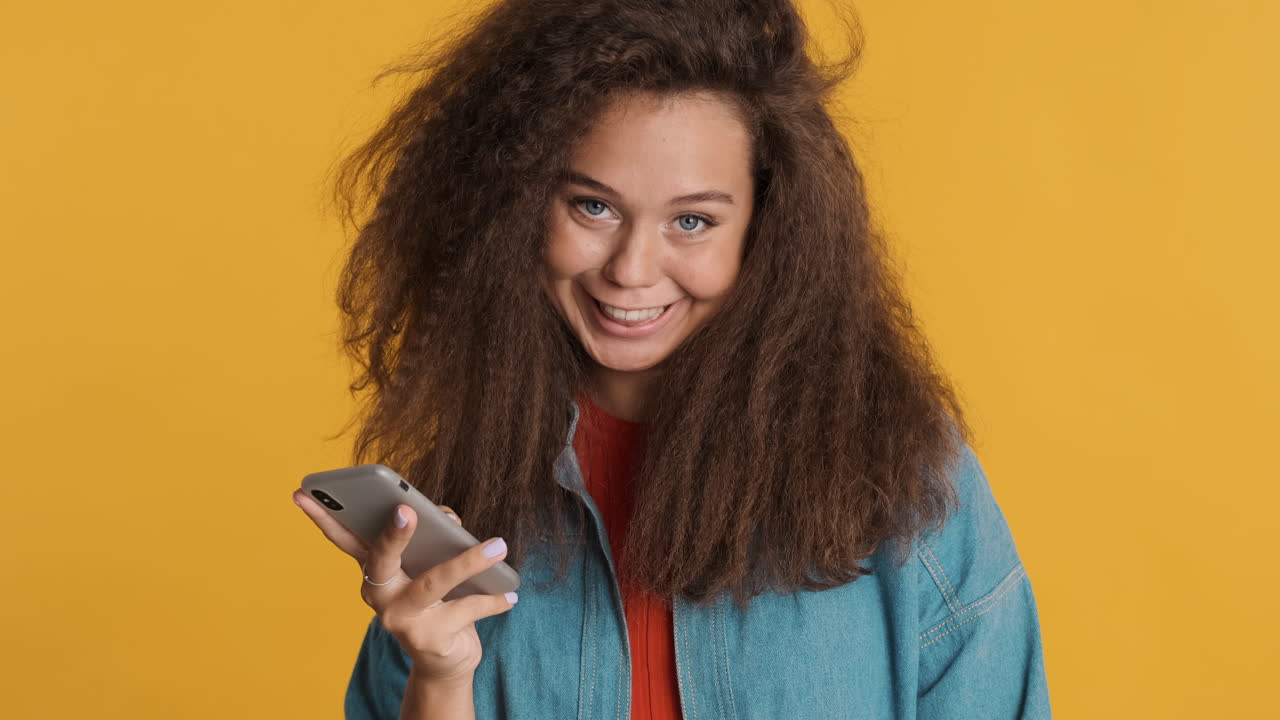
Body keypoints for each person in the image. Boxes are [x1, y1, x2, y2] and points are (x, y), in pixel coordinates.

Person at [292, 0, 1052, 718]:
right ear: (516, 201)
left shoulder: (907, 486)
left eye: (692, 220)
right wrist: (441, 677)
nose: (632, 269)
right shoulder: (474, 482)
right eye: (593, 206)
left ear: (767, 229)